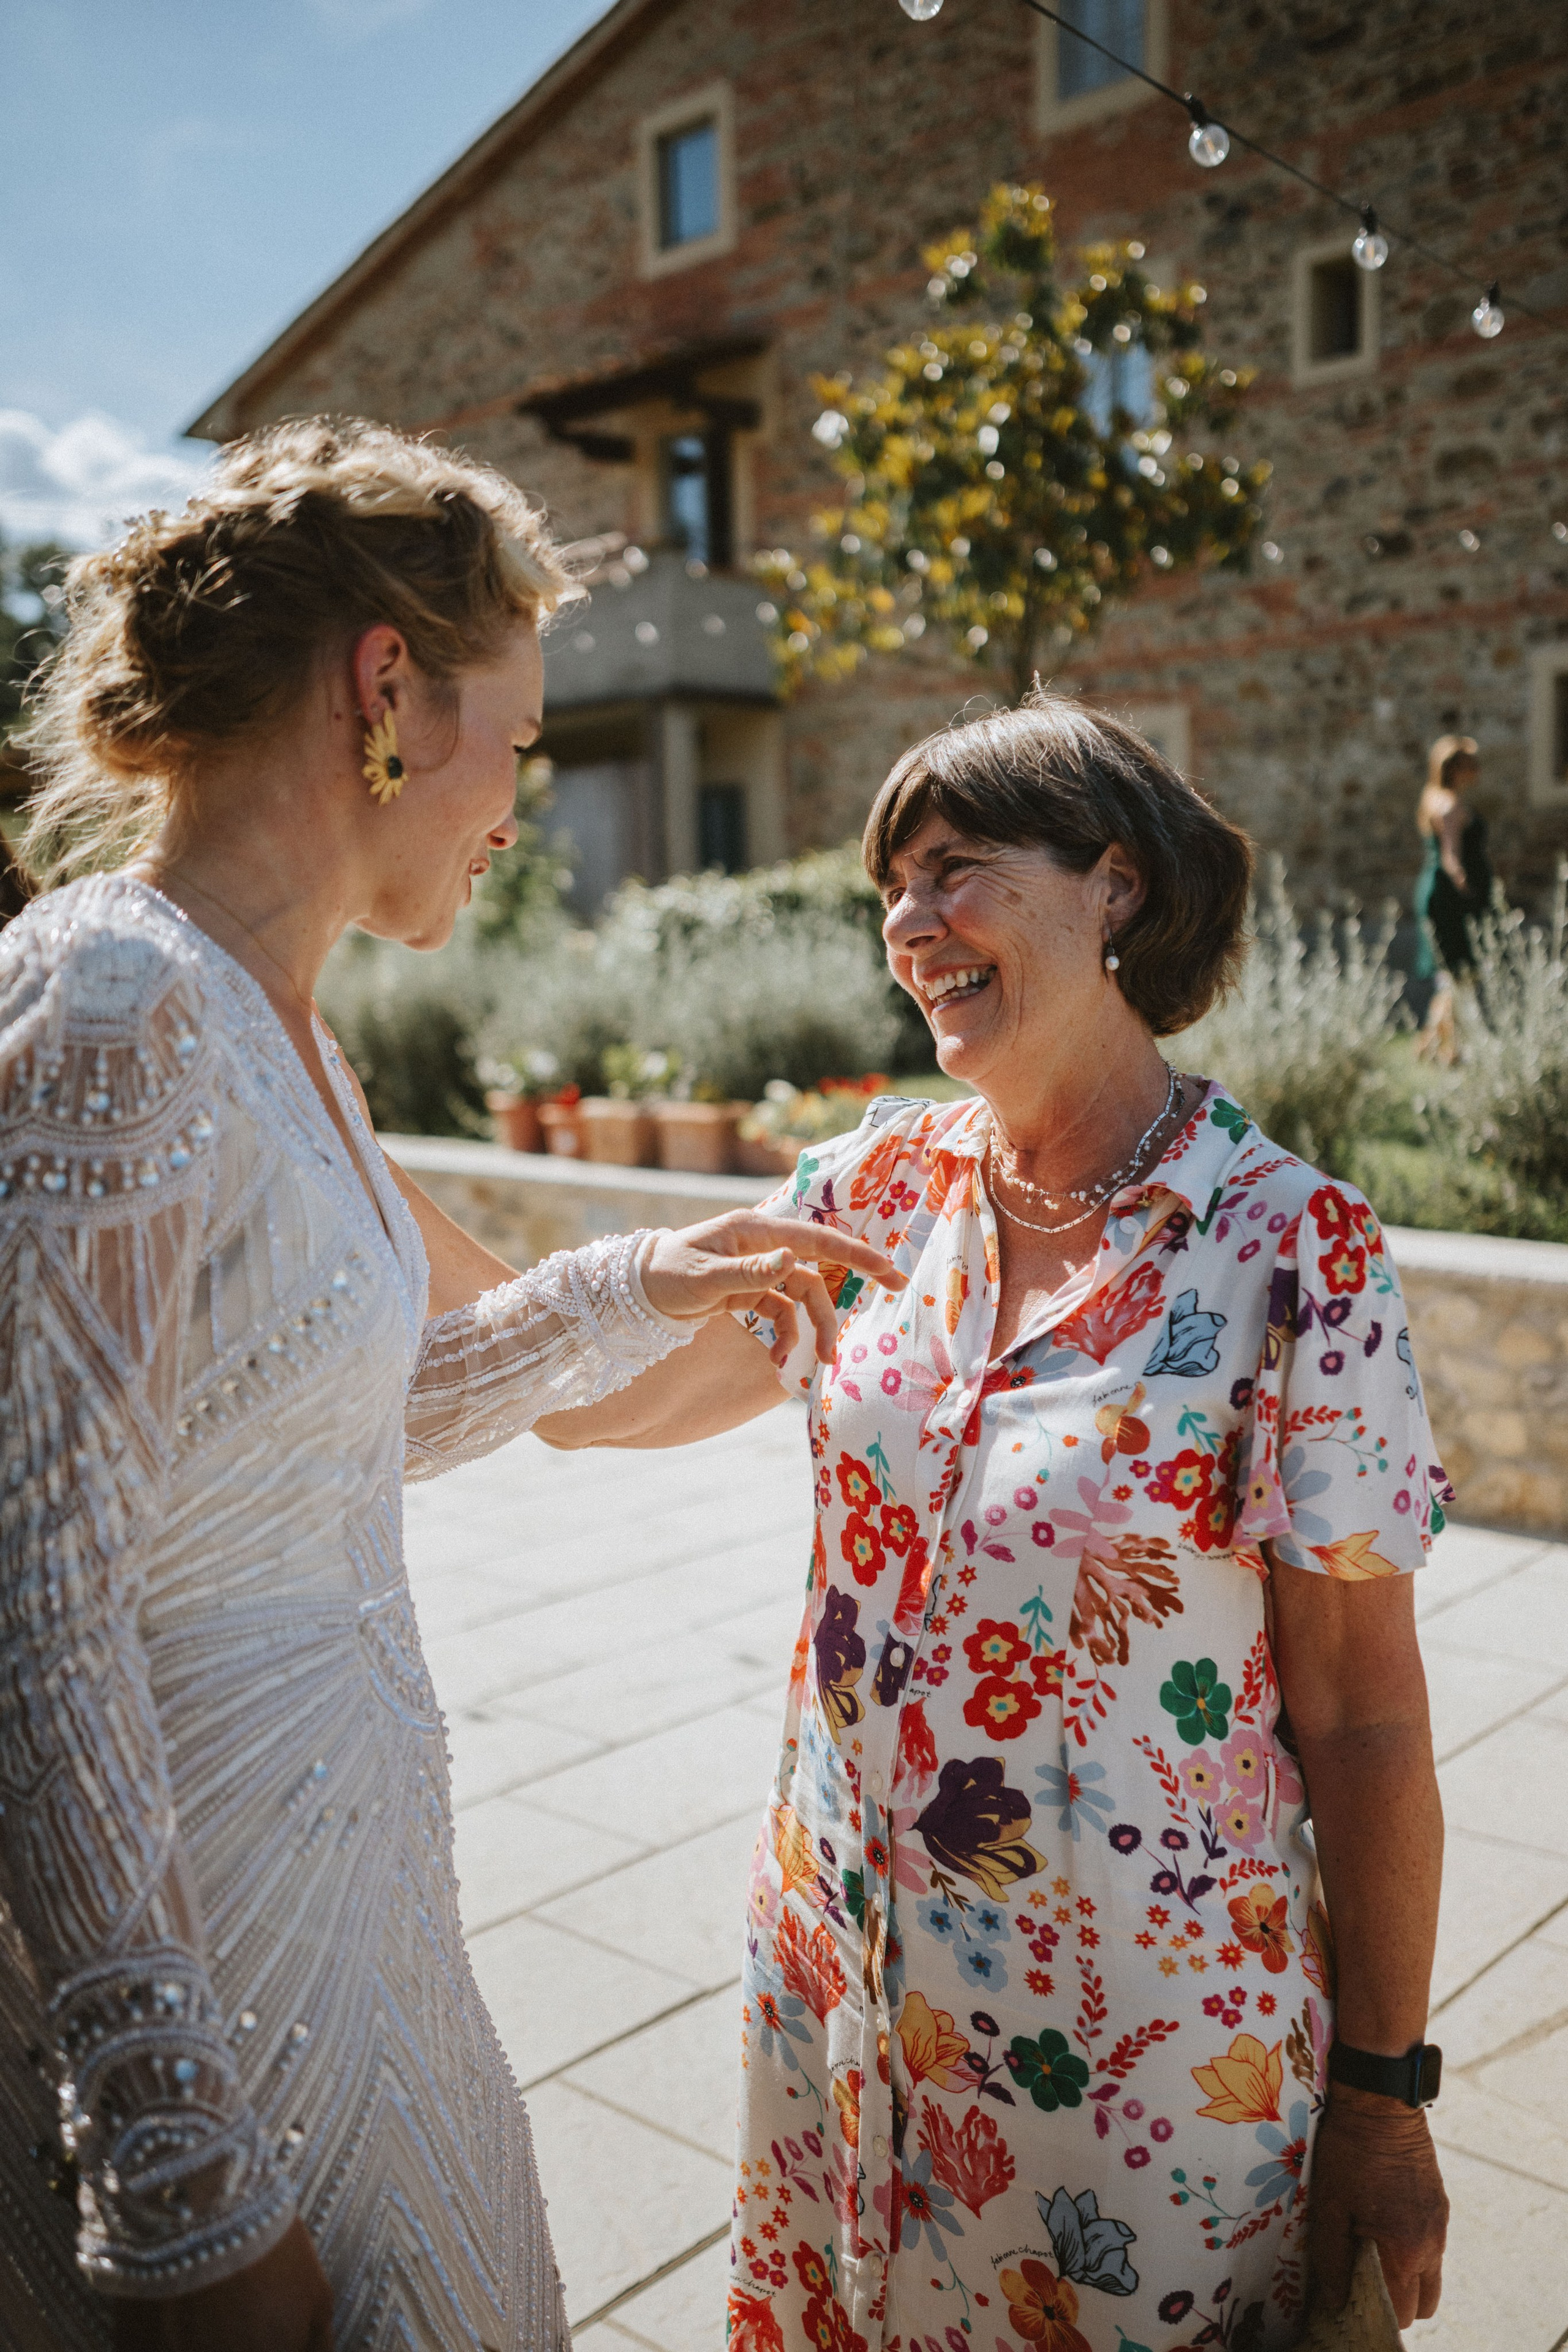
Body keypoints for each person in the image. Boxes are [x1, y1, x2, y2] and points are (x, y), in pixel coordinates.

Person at [0, 418, 902, 2352]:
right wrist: (174, 2169)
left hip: (354, 1896)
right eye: (523, 732)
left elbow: (309, 1420)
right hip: (210, 1939)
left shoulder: (274, 1019)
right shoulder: (114, 996)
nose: (524, 795)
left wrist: (620, 1284)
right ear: (385, 688)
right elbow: (39, 1597)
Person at [537, 699, 1453, 2350]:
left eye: (955, 869)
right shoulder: (867, 1195)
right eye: (889, 888)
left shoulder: (1291, 1249)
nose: (908, 922)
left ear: (1111, 890)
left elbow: (1369, 1714)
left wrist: (1386, 2099)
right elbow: (596, 1400)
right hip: (845, 1996)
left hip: (1134, 2081)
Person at [1411, 732, 1491, 1049]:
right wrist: (1465, 885)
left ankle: (1438, 1045)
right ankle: (1454, 1045)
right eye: (1472, 765)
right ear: (1456, 768)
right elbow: (1450, 854)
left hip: (1441, 894)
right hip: (1452, 899)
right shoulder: (1449, 805)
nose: (1478, 771)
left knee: (1452, 977)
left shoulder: (1432, 798)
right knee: (1459, 974)